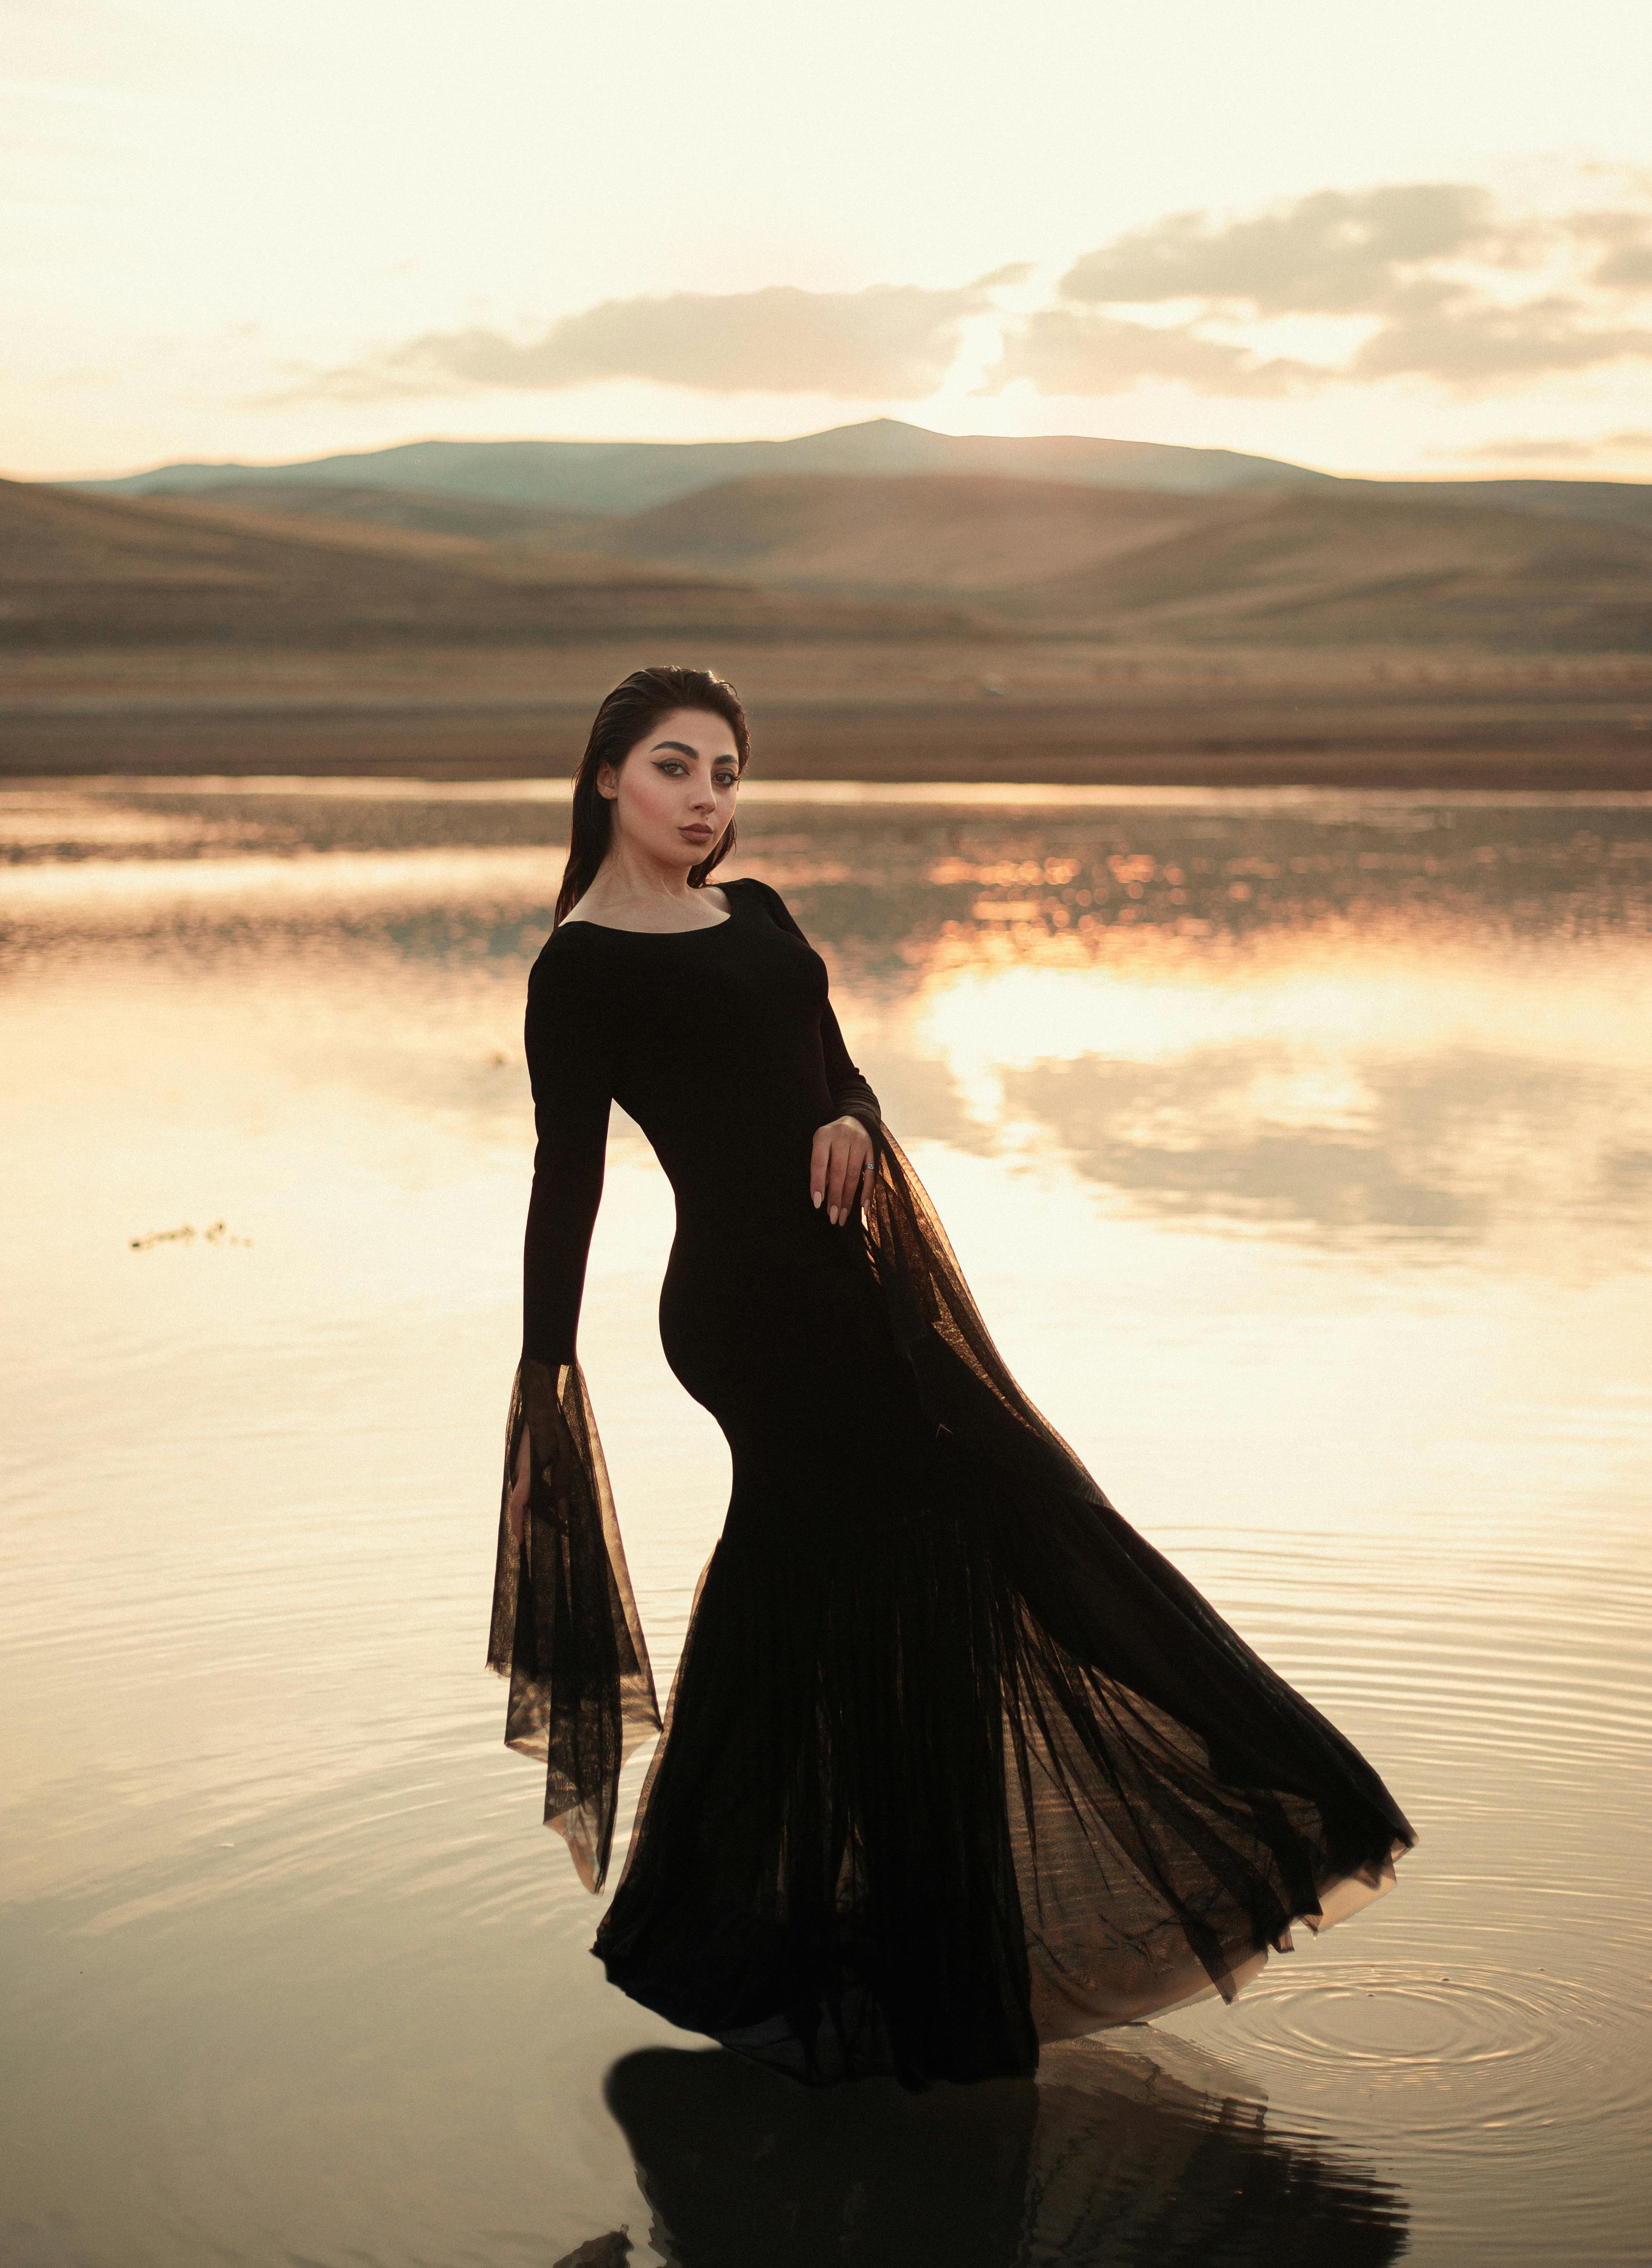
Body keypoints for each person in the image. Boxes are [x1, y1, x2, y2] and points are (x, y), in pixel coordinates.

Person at [488, 665, 1414, 2092]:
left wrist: (853, 1123)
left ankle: (832, 1936)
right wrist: (546, 1374)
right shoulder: (583, 964)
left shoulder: (762, 912)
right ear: (608, 774)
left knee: (968, 1534)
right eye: (677, 768)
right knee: (899, 1563)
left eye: (727, 774)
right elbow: (568, 1177)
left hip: (855, 1297)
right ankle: (897, 1955)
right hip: (748, 1317)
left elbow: (839, 1075)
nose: (707, 799)